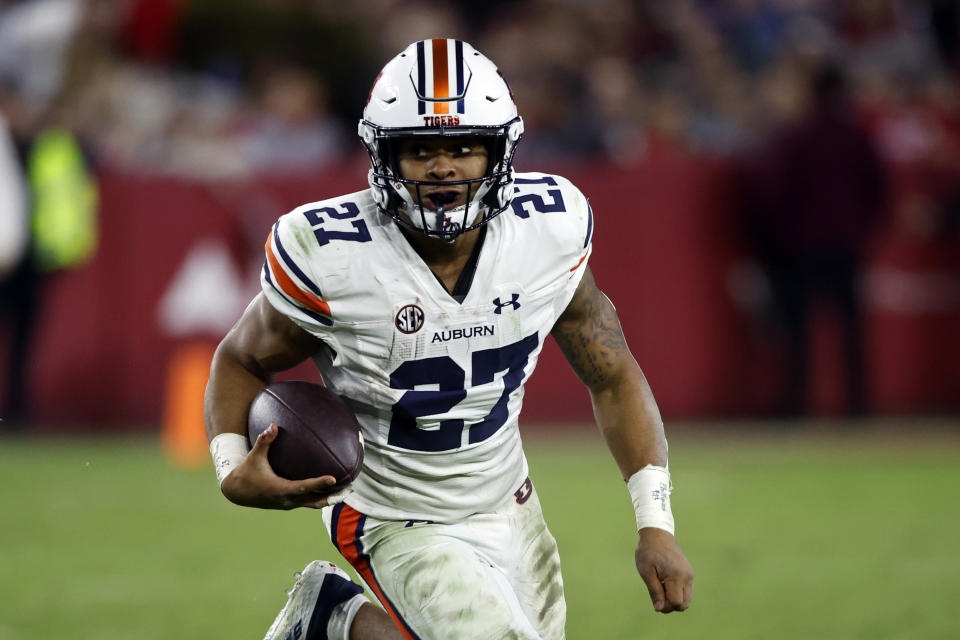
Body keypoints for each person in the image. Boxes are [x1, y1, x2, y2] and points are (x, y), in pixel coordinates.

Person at [204, 39, 694, 639]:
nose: (443, 167)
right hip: (390, 513)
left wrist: (656, 523)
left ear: (501, 151)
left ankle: (332, 621)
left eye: (464, 147)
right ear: (384, 157)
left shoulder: (548, 232)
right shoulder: (334, 256)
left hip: (509, 502)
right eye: (420, 150)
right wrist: (231, 466)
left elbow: (612, 375)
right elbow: (242, 356)